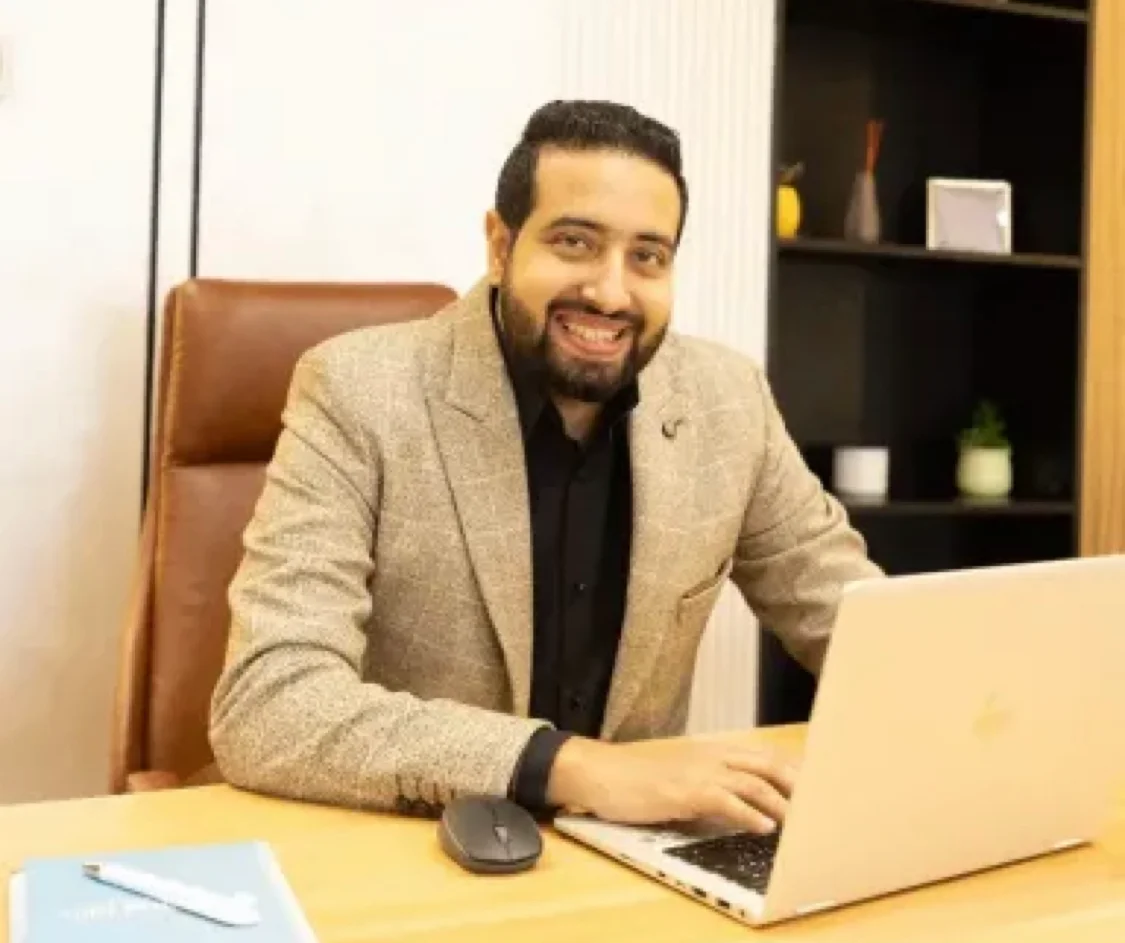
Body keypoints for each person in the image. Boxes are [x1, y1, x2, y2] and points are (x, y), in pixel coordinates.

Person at [209, 99, 882, 835]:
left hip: (633, 855)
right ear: (500, 246)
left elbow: (858, 620)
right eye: (574, 242)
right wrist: (576, 768)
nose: (610, 292)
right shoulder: (359, 390)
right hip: (410, 845)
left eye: (647, 256)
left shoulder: (728, 402)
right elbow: (269, 703)